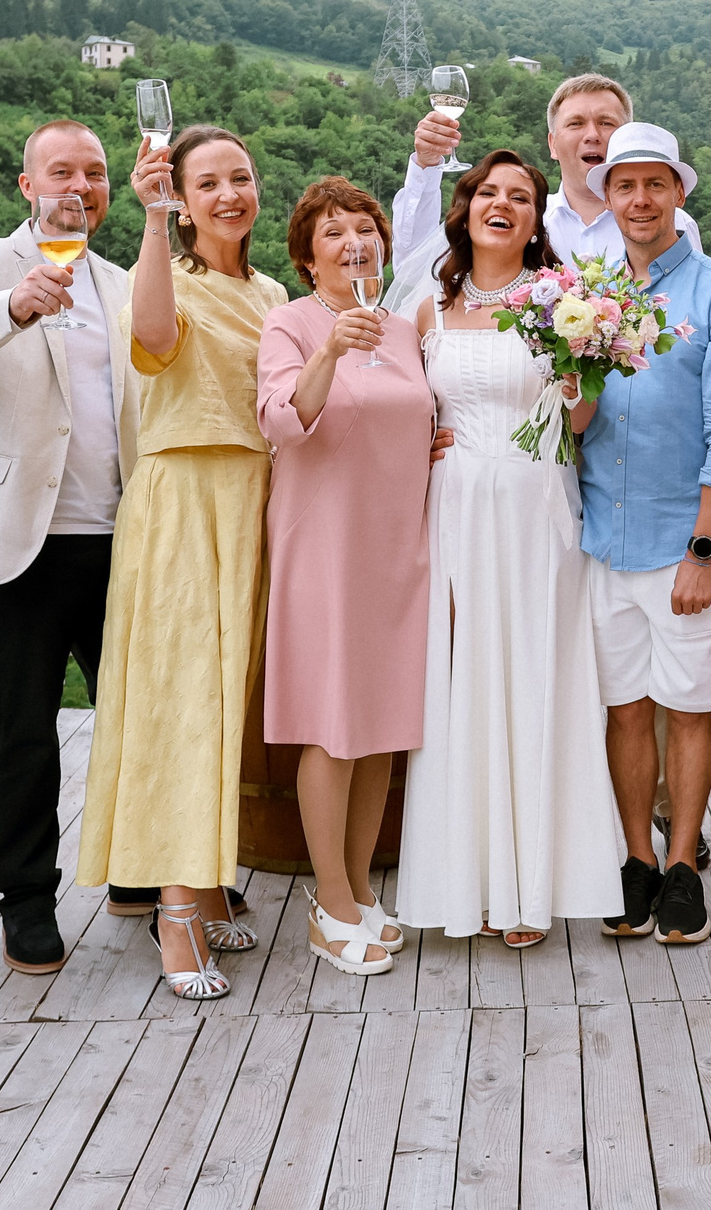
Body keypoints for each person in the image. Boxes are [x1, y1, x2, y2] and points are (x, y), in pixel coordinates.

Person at [0, 120, 147, 975]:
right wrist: (12, 307)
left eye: (94, 172)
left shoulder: (124, 282)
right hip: (17, 540)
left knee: (133, 718)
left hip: (121, 534)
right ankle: (28, 901)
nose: (79, 186)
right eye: (60, 171)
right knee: (23, 729)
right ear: (26, 184)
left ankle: (135, 872)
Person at [75, 125, 285, 1000]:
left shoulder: (274, 289)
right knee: (177, 701)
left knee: (227, 703)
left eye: (241, 176)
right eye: (209, 183)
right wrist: (153, 220)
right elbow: (154, 335)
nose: (229, 193)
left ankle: (203, 878)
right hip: (183, 498)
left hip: (257, 502)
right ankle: (170, 908)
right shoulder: (162, 271)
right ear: (185, 197)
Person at [399, 151, 626, 947]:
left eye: (521, 196)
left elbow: (583, 422)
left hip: (537, 508)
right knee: (463, 681)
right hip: (455, 506)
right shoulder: (428, 305)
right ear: (463, 211)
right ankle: (471, 879)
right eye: (488, 192)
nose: (504, 203)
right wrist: (424, 439)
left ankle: (535, 885)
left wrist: (577, 381)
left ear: (536, 220)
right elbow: (397, 403)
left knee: (536, 675)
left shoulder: (562, 300)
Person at [568, 123, 711, 948]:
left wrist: (705, 552)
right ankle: (636, 858)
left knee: (687, 709)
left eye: (655, 184)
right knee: (624, 710)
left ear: (679, 192)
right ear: (605, 198)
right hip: (601, 537)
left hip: (681, 542)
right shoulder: (591, 290)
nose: (639, 200)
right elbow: (574, 415)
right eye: (623, 186)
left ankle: (684, 866)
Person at [257, 178, 437, 977]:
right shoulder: (289, 324)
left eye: (365, 228)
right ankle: (328, 900)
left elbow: (422, 416)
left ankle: (360, 887)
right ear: (307, 255)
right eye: (334, 232)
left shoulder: (404, 330)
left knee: (382, 731)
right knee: (333, 727)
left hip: (398, 549)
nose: (354, 240)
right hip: (324, 548)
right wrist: (331, 347)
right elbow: (283, 420)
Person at [388, 71, 701, 302]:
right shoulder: (519, 221)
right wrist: (426, 166)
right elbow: (413, 267)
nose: (592, 134)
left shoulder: (672, 223)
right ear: (552, 144)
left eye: (607, 123)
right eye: (575, 123)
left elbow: (693, 306)